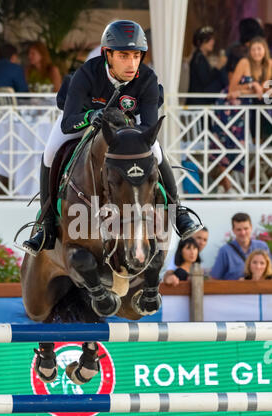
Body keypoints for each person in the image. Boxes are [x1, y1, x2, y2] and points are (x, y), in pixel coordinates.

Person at [22, 20, 203, 256]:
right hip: (83, 119)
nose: (131, 63)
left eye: (136, 55)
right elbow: (68, 123)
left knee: (157, 152)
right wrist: (91, 116)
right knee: (50, 152)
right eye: (124, 55)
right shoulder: (86, 73)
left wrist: (127, 129)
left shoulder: (147, 79)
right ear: (108, 54)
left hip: (127, 125)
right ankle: (45, 224)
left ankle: (178, 212)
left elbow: (148, 127)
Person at [209, 36, 272, 194]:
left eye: (260, 49)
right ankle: (227, 186)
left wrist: (260, 89)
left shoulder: (269, 65)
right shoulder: (244, 63)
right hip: (229, 109)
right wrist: (253, 85)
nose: (257, 52)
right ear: (250, 51)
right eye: (254, 49)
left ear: (265, 50)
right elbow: (232, 90)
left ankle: (225, 186)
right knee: (226, 146)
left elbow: (266, 91)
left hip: (245, 111)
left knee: (240, 148)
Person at [210, 212, 271, 280]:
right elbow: (214, 278)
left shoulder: (262, 246)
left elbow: (269, 272)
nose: (243, 233)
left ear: (251, 228)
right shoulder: (225, 251)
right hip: (233, 289)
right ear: (233, 230)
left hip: (261, 289)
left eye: (246, 228)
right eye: (239, 229)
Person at [187, 26, 227, 105]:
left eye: (212, 39)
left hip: (199, 103)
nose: (212, 42)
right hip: (198, 104)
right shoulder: (198, 58)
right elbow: (206, 80)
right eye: (209, 40)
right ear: (200, 42)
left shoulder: (199, 57)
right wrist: (218, 67)